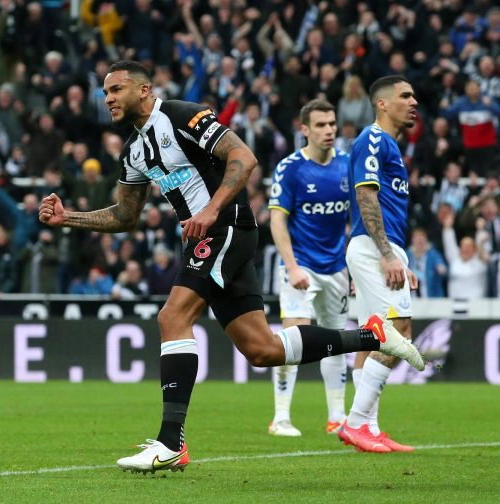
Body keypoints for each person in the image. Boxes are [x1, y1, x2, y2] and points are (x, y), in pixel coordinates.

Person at [38, 61, 424, 474]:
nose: (108, 98)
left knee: (172, 317)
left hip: (225, 227)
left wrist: (211, 208)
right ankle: (373, 335)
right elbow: (125, 215)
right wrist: (68, 218)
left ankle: (171, 442)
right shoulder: (134, 150)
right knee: (262, 349)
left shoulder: (182, 115)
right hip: (208, 237)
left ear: (144, 89)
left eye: (116, 89)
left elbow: (243, 156)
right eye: (105, 92)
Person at [340, 75, 421, 453]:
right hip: (374, 249)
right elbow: (366, 197)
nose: (413, 102)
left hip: (382, 248)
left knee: (374, 337)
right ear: (382, 103)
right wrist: (388, 255)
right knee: (398, 331)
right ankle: (356, 422)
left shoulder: (389, 146)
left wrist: (399, 256)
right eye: (405, 96)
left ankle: (368, 427)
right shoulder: (373, 139)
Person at [266, 99, 350, 437]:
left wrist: (353, 266)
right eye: (320, 125)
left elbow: (355, 219)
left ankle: (337, 418)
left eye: (332, 123)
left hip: (337, 268)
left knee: (336, 340)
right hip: (300, 266)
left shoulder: (347, 165)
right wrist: (292, 267)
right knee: (294, 339)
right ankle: (280, 418)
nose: (329, 130)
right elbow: (277, 220)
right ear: (305, 130)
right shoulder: (291, 168)